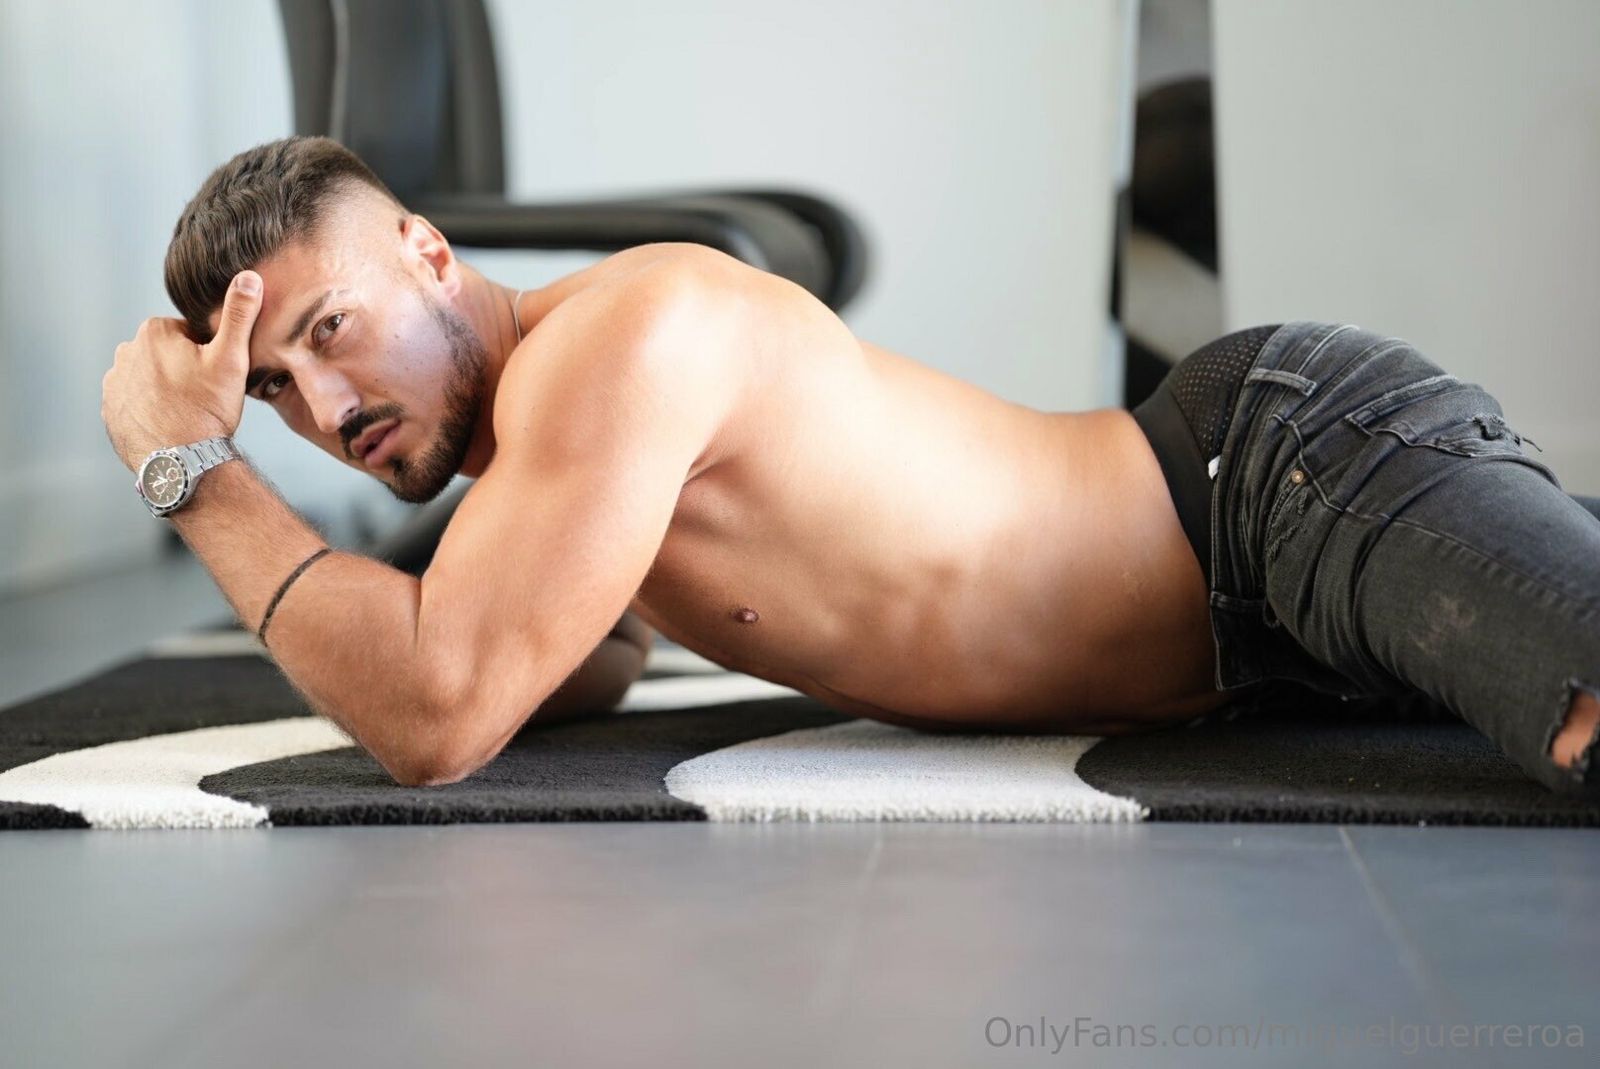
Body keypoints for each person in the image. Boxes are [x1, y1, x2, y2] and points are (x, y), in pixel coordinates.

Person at [101, 136, 1600, 795]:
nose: (323, 405)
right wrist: (484, 629)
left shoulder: (620, 340)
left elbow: (437, 715)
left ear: (431, 253)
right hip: (1262, 650)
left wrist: (194, 469)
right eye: (272, 389)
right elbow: (562, 672)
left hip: (1278, 483)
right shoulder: (548, 452)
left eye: (332, 330)